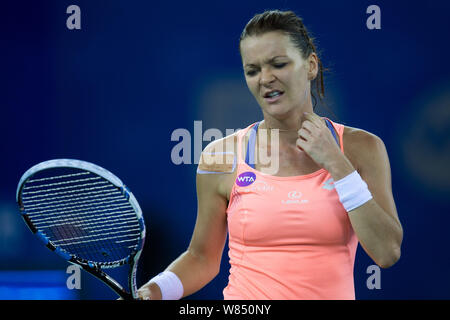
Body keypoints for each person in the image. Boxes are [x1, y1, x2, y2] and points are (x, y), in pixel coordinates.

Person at [137, 9, 403, 300]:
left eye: (278, 64)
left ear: (311, 65)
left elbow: (386, 252)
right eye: (252, 70)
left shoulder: (363, 148)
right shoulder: (220, 156)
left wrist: (336, 163)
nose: (265, 78)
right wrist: (153, 292)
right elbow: (201, 258)